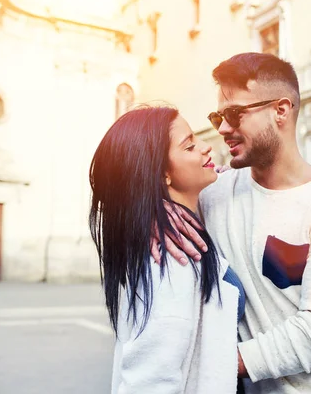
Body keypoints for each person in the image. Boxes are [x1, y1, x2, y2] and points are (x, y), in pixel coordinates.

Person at [156, 53, 311, 393]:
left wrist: (210, 364)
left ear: (281, 110)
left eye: (234, 114)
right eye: (218, 116)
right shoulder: (215, 192)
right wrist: (156, 215)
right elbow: (135, 190)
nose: (222, 128)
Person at [88, 106, 245, 394]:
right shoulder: (169, 257)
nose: (206, 146)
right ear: (162, 175)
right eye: (189, 145)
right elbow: (149, 383)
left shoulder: (180, 229)